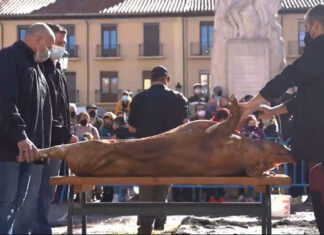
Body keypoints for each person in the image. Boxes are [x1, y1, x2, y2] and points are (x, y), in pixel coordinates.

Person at [239, 4, 324, 233]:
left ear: (315, 26)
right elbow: (305, 100)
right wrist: (274, 111)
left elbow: (287, 77)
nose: (306, 33)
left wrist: (250, 104)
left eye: (305, 27)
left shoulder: (319, 53)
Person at [11, 23, 78, 234]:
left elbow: (58, 108)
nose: (59, 47)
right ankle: (37, 229)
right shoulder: (40, 69)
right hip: (43, 141)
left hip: (56, 141)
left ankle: (41, 228)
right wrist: (65, 134)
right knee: (32, 194)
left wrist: (66, 134)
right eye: (56, 43)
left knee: (46, 192)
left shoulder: (57, 70)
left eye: (63, 43)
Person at [0, 23, 54, 234]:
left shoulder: (38, 67)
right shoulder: (7, 59)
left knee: (22, 206)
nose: (49, 51)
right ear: (38, 40)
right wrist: (21, 137)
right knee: (4, 204)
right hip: (8, 151)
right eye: (48, 46)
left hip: (32, 153)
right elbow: (5, 102)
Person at [128, 65, 189, 234]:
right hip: (168, 150)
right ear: (166, 79)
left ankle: (145, 224)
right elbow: (185, 124)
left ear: (151, 80)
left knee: (146, 186)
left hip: (145, 149)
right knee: (164, 183)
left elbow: (131, 126)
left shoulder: (139, 98)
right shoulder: (178, 98)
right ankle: (160, 218)